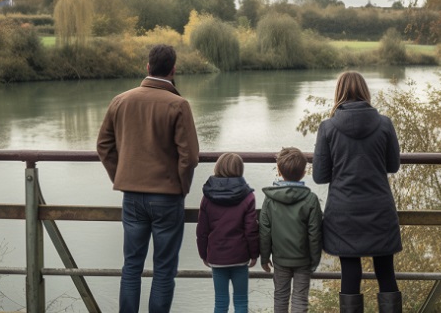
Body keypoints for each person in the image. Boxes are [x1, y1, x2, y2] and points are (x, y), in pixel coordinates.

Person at [96, 44, 200, 313]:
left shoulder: (121, 100)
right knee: (164, 270)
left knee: (131, 266)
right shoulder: (178, 105)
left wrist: (121, 175)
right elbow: (189, 157)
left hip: (131, 197)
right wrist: (181, 188)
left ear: (147, 67)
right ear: (173, 69)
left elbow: (104, 146)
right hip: (167, 196)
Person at [312, 71, 402, 313]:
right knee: (386, 270)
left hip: (344, 211)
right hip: (379, 209)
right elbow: (393, 165)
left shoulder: (328, 127)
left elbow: (320, 176)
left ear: (338, 92)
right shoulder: (384, 124)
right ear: (365, 92)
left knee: (350, 272)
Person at [259, 147, 323, 313]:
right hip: (303, 260)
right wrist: (315, 259)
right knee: (300, 299)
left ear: (279, 171)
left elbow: (264, 232)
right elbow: (315, 234)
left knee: (280, 297)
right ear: (303, 173)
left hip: (280, 259)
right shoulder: (311, 199)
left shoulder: (270, 200)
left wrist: (265, 257)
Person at [196, 153, 260, 313]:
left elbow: (202, 230)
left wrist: (204, 254)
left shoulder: (207, 197)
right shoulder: (248, 196)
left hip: (217, 257)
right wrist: (254, 254)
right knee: (241, 301)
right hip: (240, 256)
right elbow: (251, 230)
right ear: (240, 170)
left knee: (220, 302)